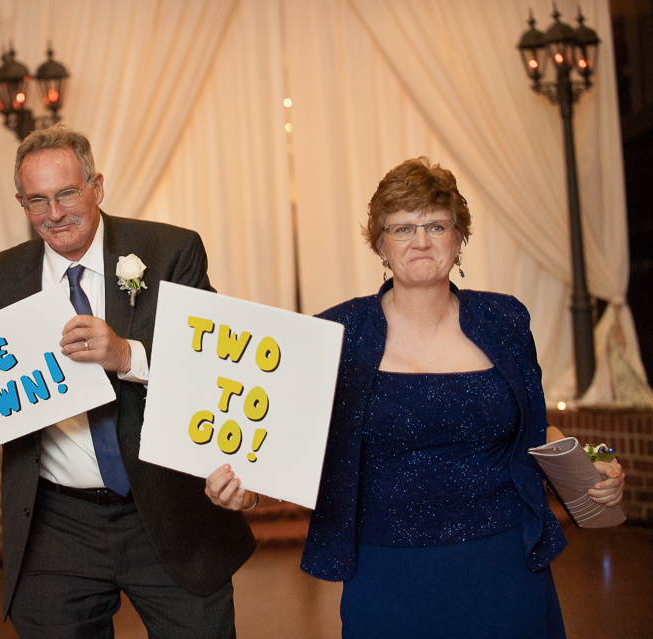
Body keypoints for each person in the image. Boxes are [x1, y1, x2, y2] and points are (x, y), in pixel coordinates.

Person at [205, 157, 625, 637]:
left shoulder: (506, 320)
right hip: (388, 569)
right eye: (402, 228)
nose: (421, 240)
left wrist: (590, 466)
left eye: (435, 225)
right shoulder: (336, 332)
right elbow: (292, 445)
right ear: (380, 244)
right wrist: (247, 490)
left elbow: (536, 429)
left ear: (459, 237)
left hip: (505, 559)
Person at [0, 125, 255, 637]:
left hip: (166, 506)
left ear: (97, 186)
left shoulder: (171, 250)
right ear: (21, 204)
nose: (55, 213)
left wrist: (126, 354)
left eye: (67, 193)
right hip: (55, 521)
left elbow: (213, 370)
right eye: (37, 200)